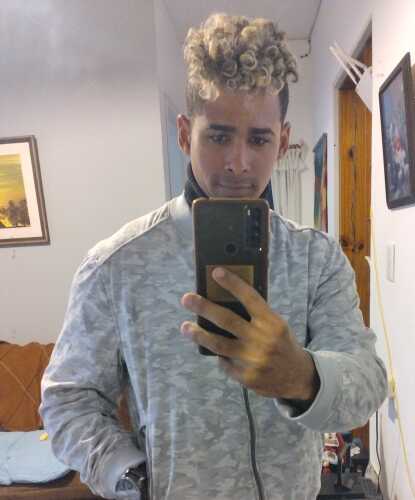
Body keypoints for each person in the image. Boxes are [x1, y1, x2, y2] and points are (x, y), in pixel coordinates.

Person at [40, 13, 387, 500]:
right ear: (185, 134)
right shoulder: (115, 266)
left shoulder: (317, 259)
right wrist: (129, 475)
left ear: (283, 141)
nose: (238, 163)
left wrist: (302, 376)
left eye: (259, 139)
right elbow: (68, 400)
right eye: (219, 136)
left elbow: (367, 383)